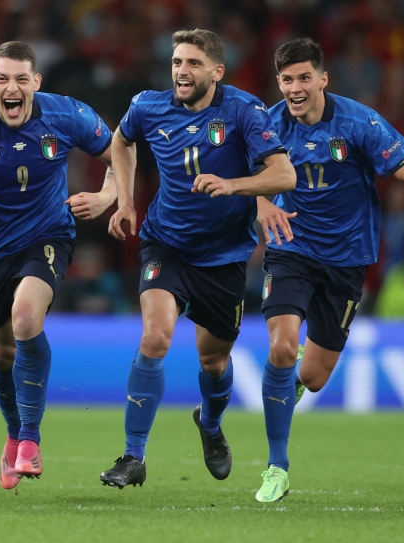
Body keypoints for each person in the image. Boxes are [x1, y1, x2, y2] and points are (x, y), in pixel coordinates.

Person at [101, 28, 296, 489]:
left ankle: (209, 422)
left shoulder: (243, 111)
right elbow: (121, 141)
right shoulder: (148, 106)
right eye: (177, 63)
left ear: (217, 71)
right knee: (155, 337)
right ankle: (133, 455)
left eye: (193, 64)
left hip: (224, 256)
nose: (182, 72)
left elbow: (284, 174)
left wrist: (233, 185)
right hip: (166, 244)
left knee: (214, 362)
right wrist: (124, 201)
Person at [253, 38, 404, 503]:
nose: (295, 88)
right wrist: (260, 204)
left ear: (323, 79)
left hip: (347, 258)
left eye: (304, 78)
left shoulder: (359, 123)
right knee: (281, 346)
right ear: (279, 83)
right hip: (291, 247)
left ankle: (291, 378)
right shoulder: (268, 125)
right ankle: (277, 467)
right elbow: (239, 174)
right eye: (287, 80)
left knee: (313, 377)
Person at [0, 41, 115, 489]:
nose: (12, 88)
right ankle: (14, 434)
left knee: (26, 317)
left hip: (47, 236)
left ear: (36, 82)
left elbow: (122, 152)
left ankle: (30, 439)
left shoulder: (67, 115)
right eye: (3, 79)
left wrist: (107, 196)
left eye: (21, 79)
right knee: (2, 353)